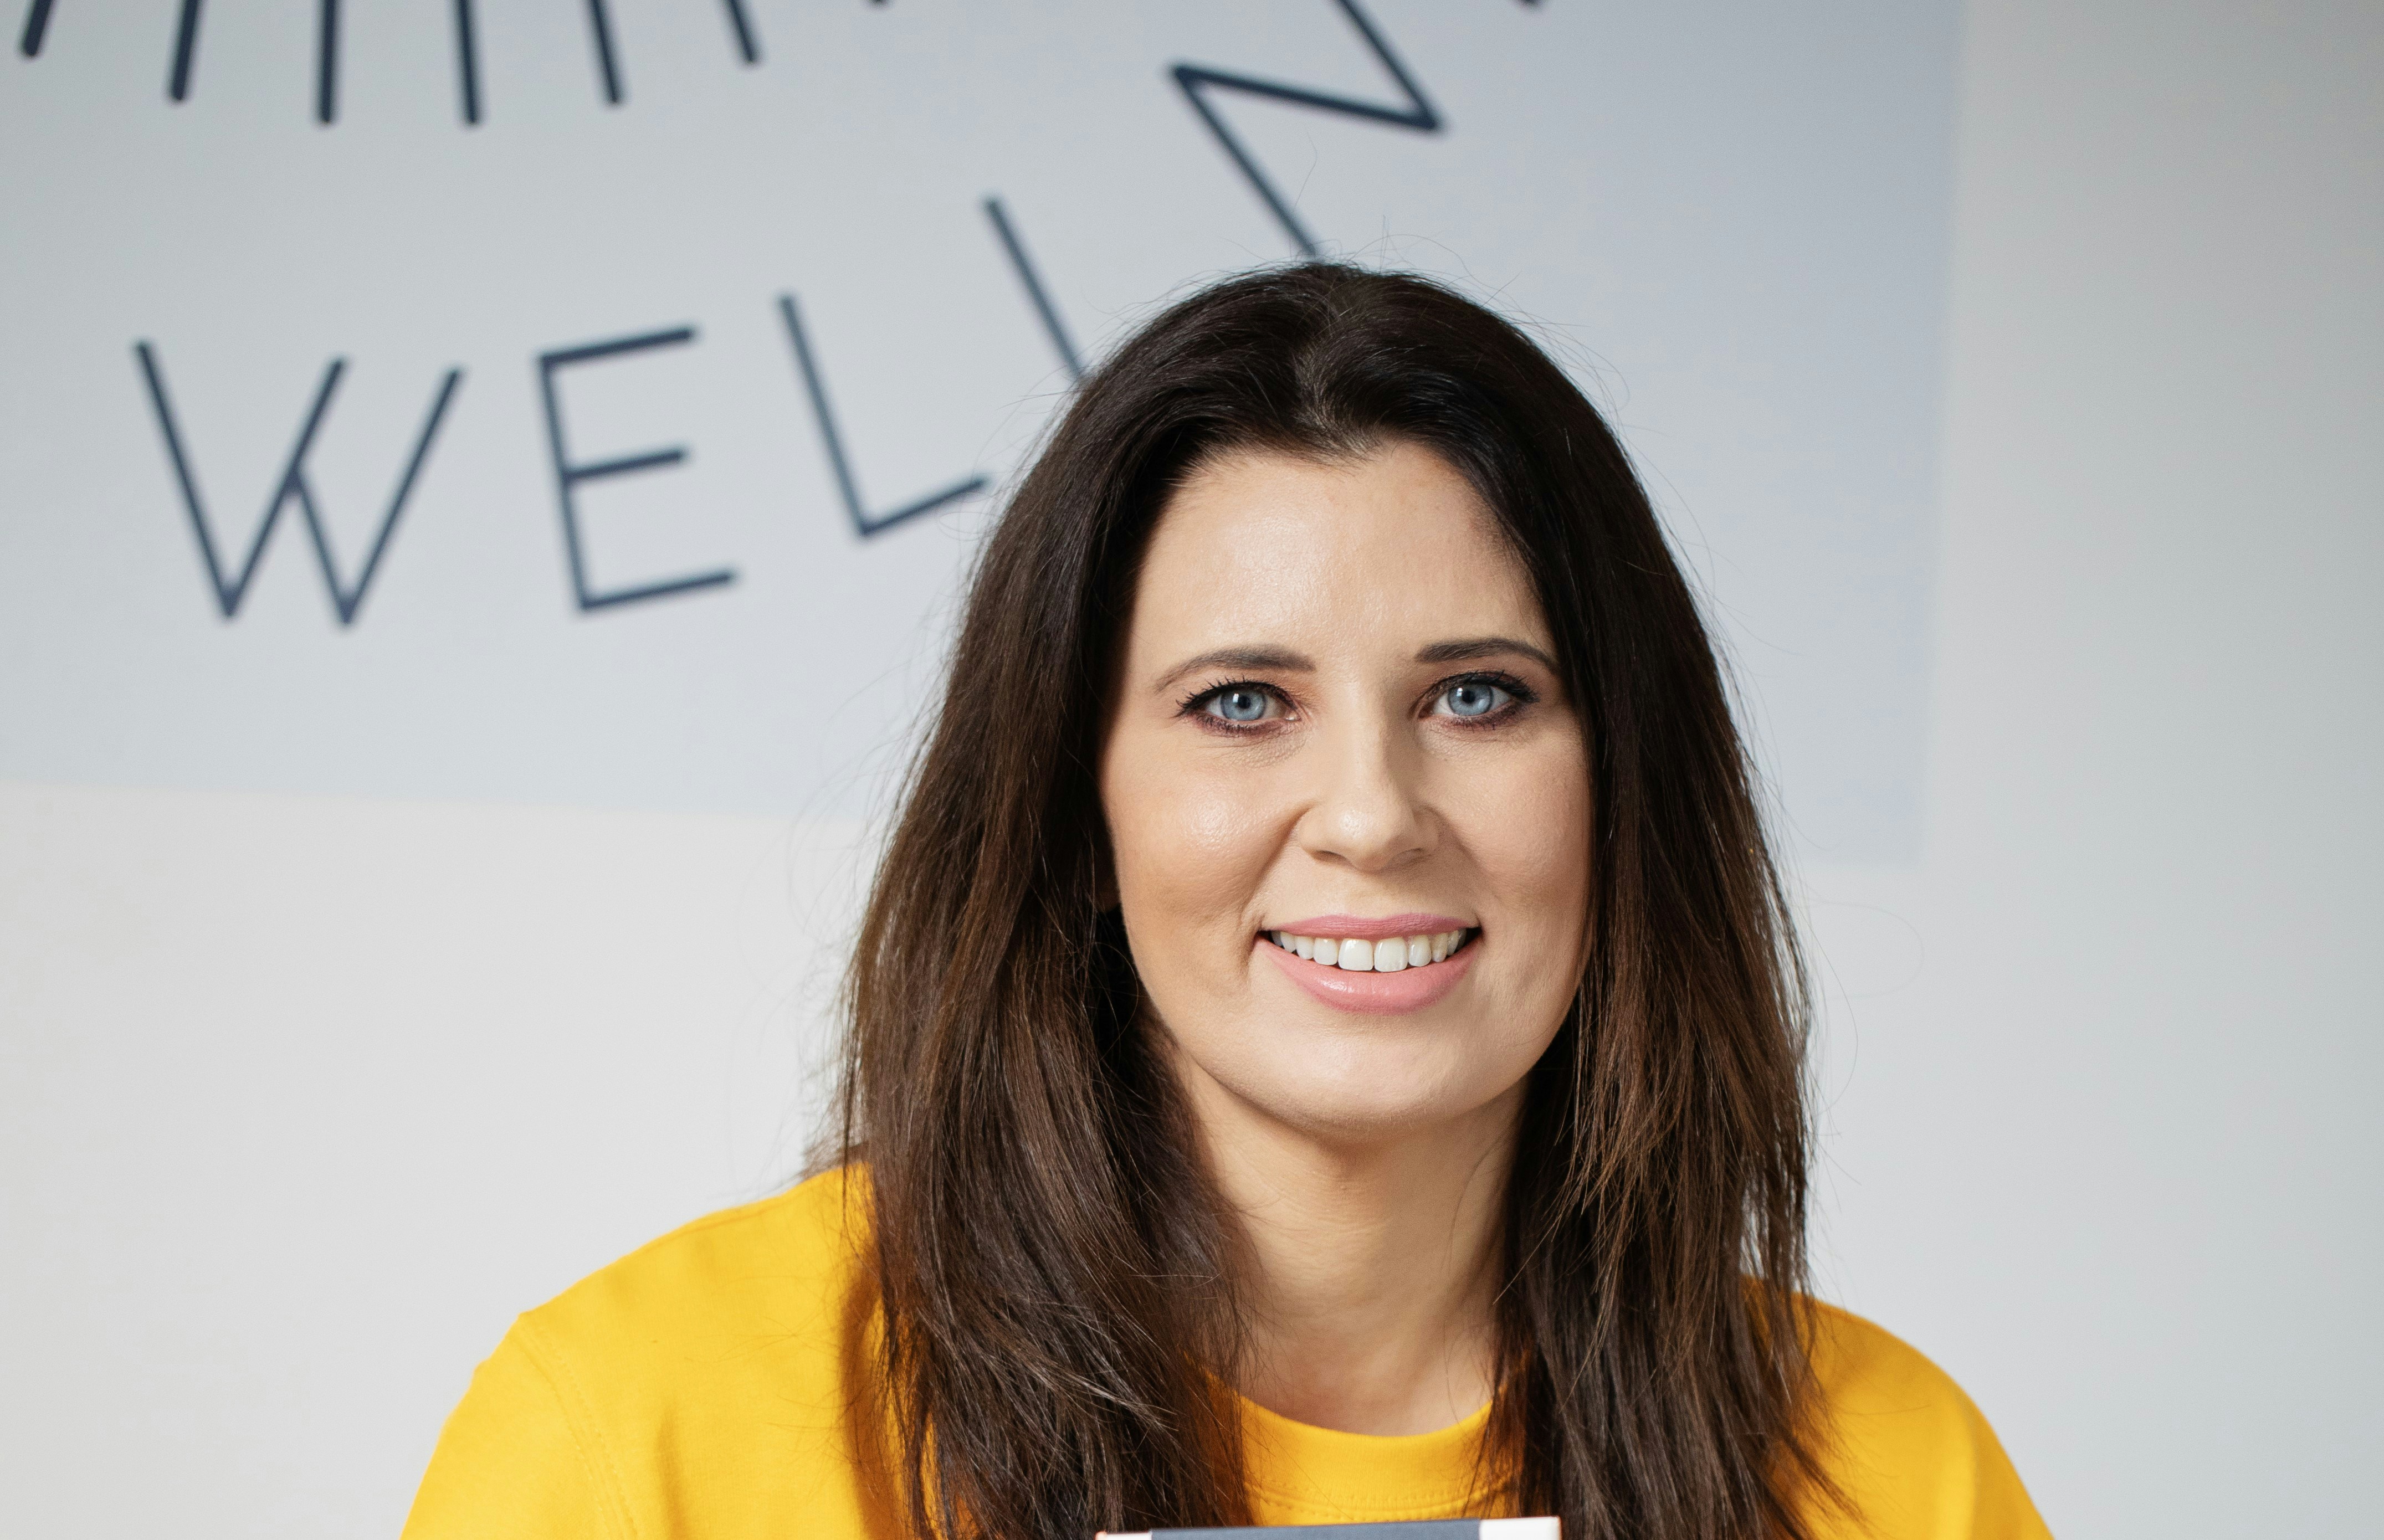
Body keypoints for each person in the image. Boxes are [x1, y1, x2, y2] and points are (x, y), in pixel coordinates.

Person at [403, 265, 2049, 1540]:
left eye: (1478, 697)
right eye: (1242, 704)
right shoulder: (636, 1436)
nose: (1371, 816)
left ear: (1627, 788)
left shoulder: (1893, 1478)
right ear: (1071, 804)